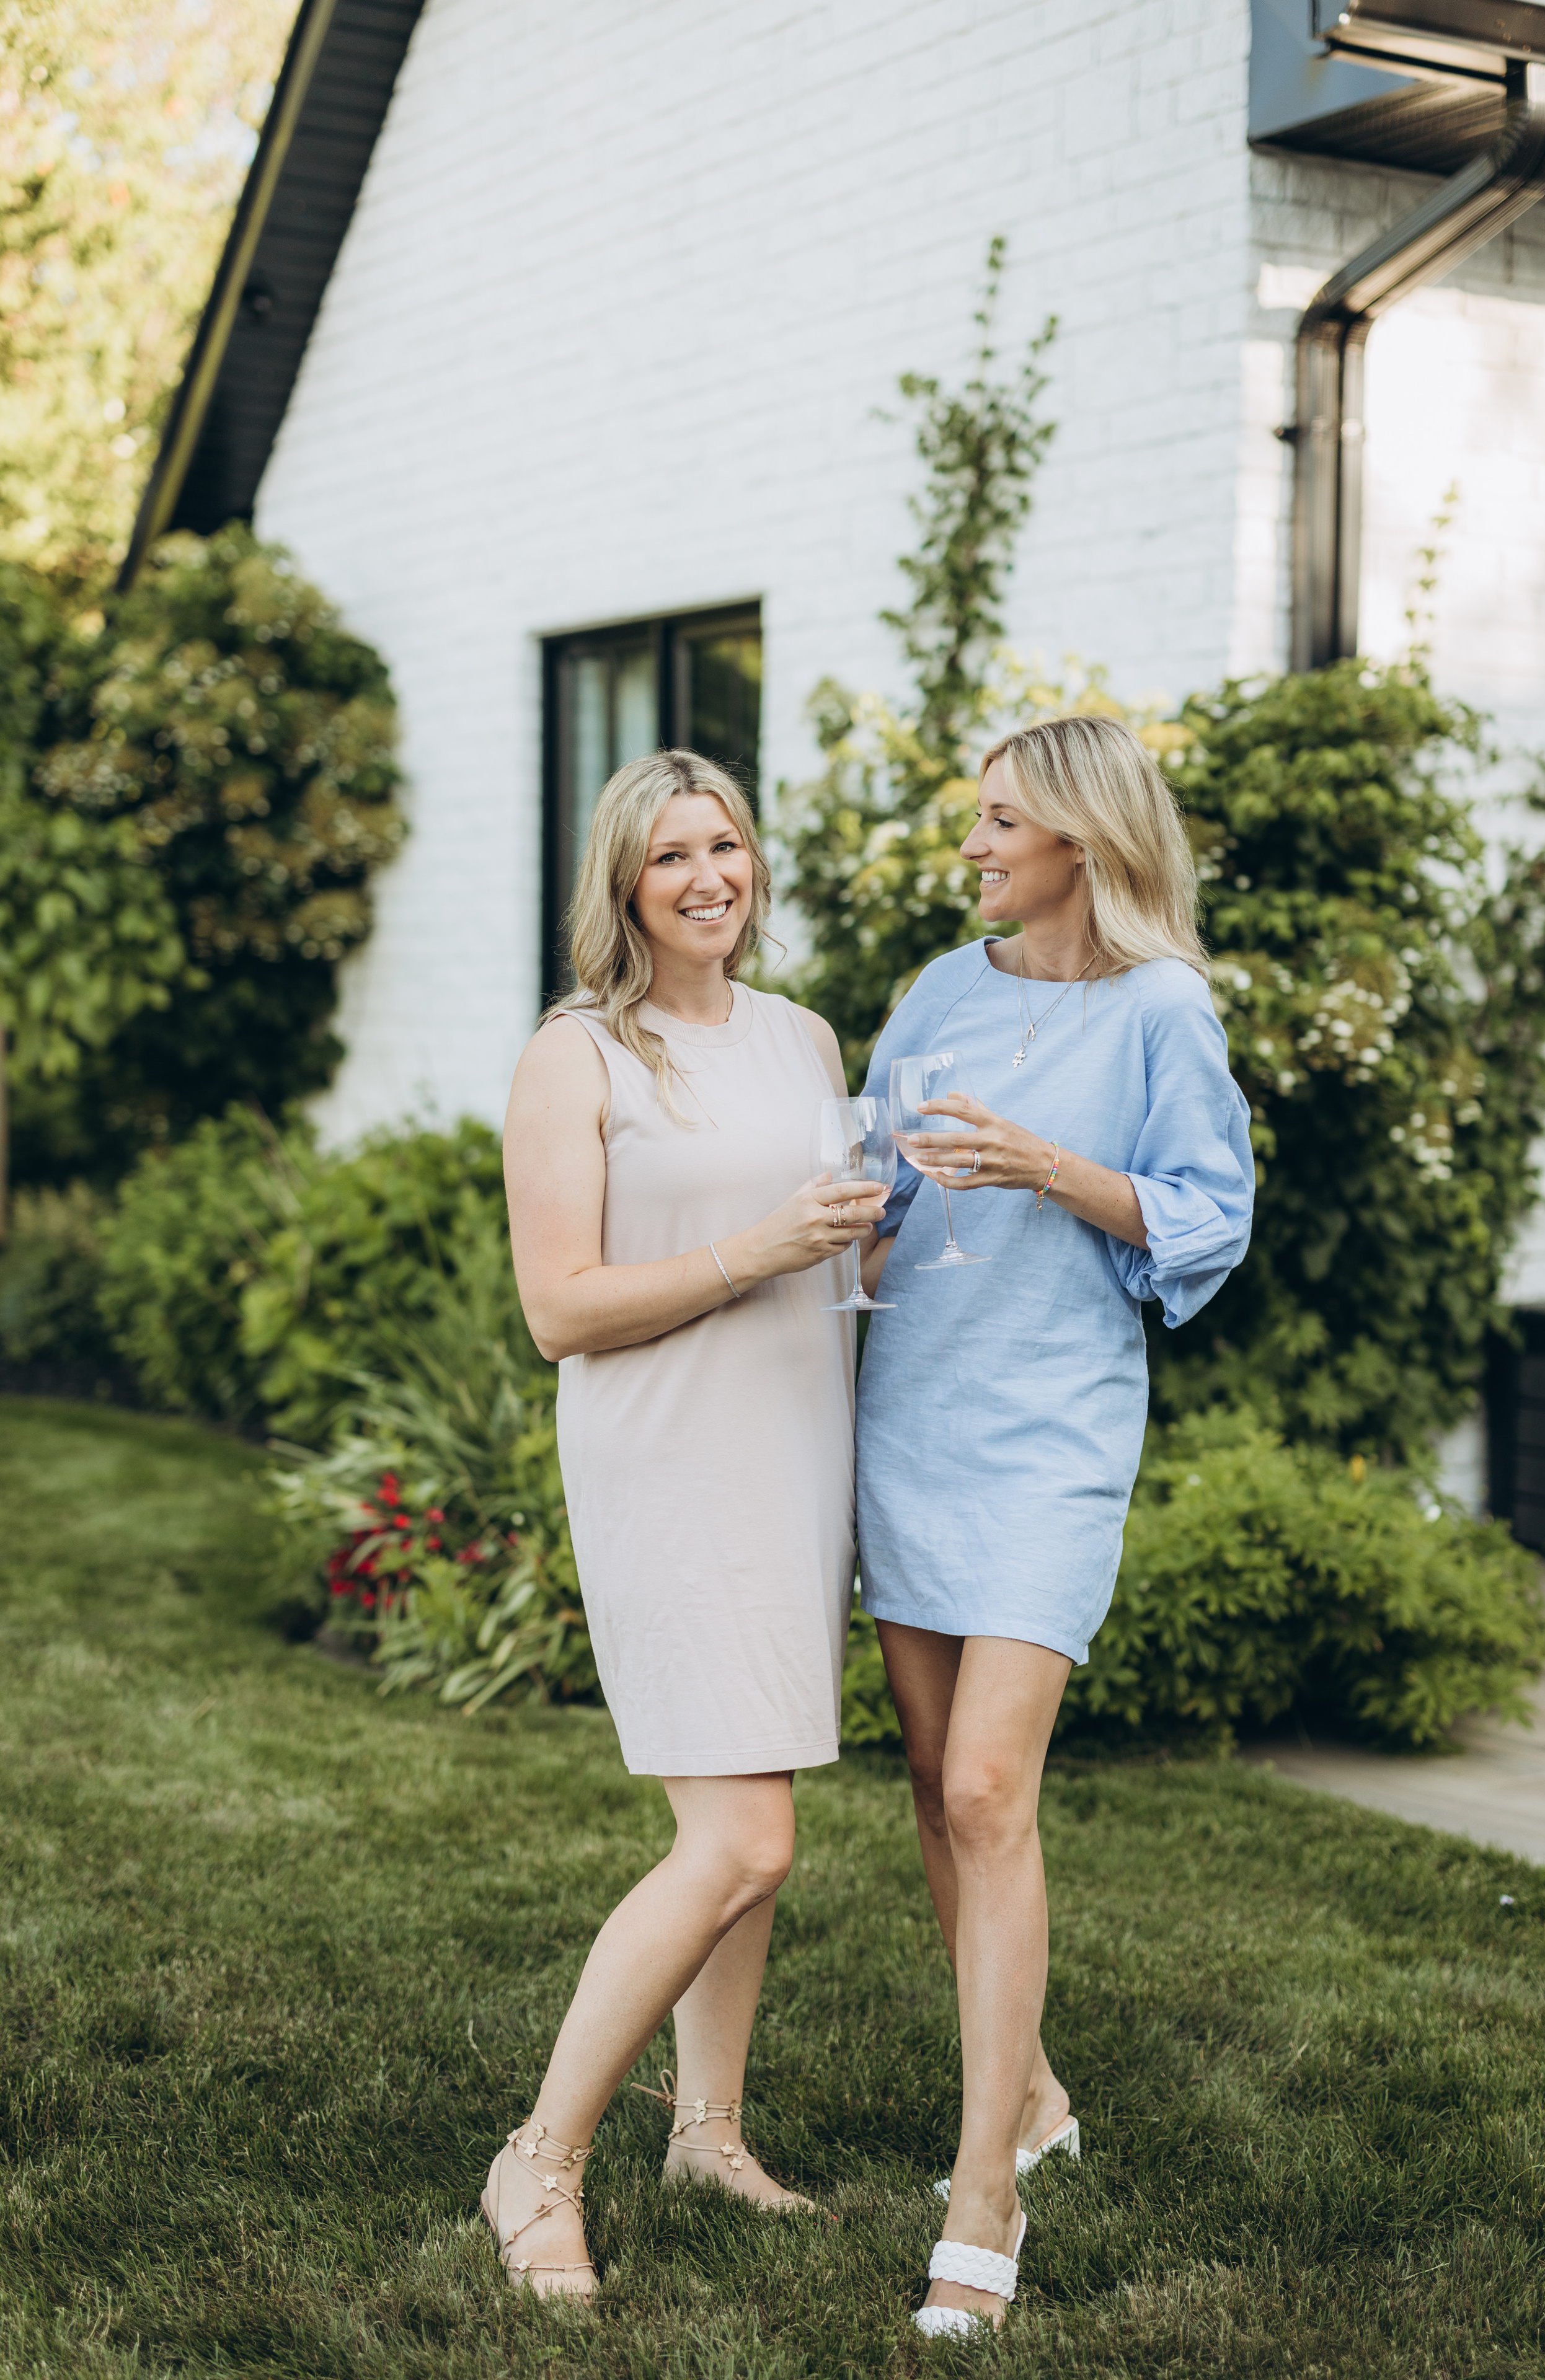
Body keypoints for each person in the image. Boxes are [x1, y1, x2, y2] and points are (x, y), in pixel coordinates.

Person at [855, 713, 1255, 2337]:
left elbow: (1207, 1220)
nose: (974, 847)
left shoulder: (1166, 1010)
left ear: (1082, 838)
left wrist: (1052, 1168)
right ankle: (1025, 2089)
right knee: (936, 1792)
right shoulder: (942, 991)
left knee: (986, 1785)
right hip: (910, 1409)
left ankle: (982, 2196)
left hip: (1047, 1431)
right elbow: (875, 1163)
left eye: (1000, 822)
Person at [487, 747, 885, 2298]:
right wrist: (753, 1246)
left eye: (724, 845)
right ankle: (537, 2164)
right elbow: (558, 1310)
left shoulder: (800, 1037)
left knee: (752, 1848)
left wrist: (880, 1233)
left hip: (794, 1454)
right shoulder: (578, 1055)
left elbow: (828, 1254)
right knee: (740, 1836)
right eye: (672, 859)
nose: (708, 876)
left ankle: (705, 2137)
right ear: (623, 888)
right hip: (668, 1467)